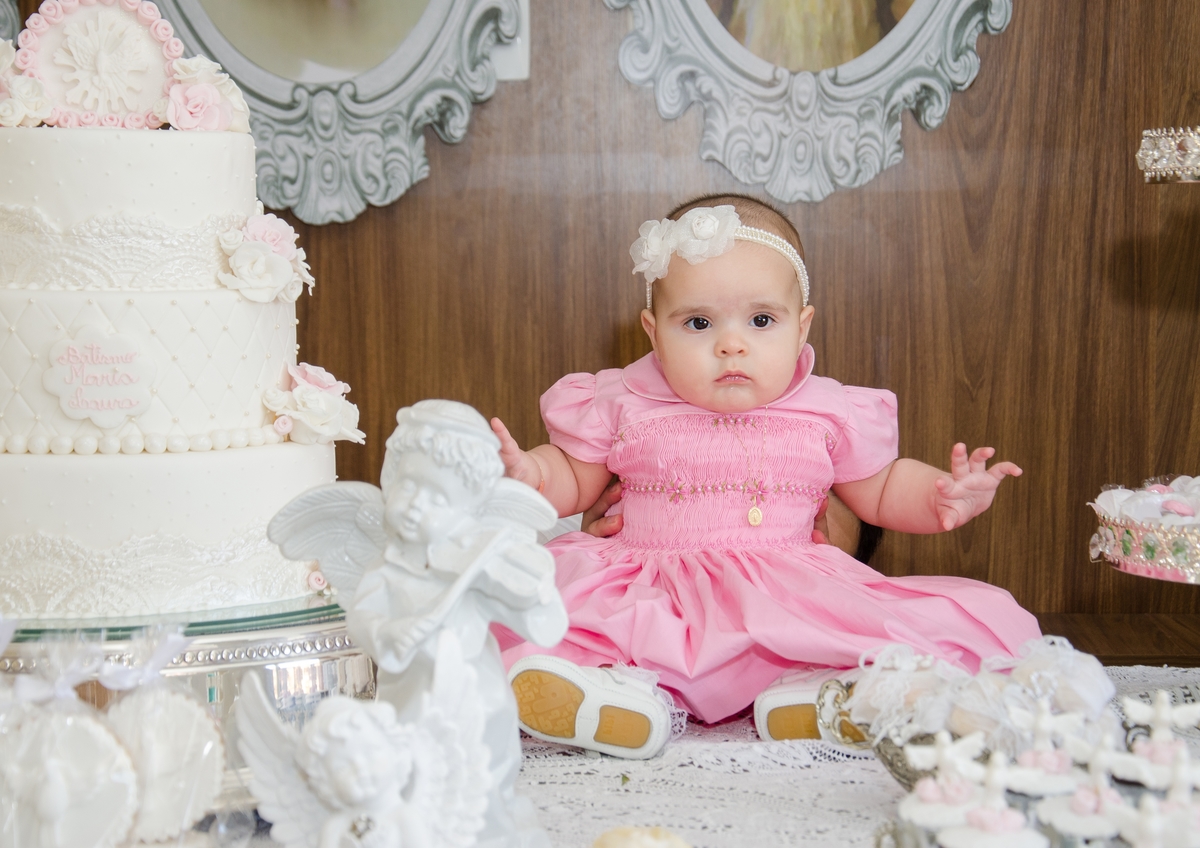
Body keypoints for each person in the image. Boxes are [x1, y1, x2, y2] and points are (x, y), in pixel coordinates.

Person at [490, 194, 1041, 759]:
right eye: (698, 322)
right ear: (654, 333)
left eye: (761, 320)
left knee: (854, 634)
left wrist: (939, 495)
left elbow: (880, 489)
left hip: (783, 588)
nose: (732, 344)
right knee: (578, 626)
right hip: (652, 585)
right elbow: (574, 477)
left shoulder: (828, 409)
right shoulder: (620, 401)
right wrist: (532, 473)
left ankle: (816, 694)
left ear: (802, 328)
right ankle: (614, 697)